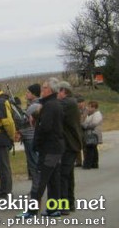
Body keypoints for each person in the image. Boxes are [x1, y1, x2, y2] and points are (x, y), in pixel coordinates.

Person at [18, 78, 64, 218]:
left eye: (44, 88)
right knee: (53, 179)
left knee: (40, 178)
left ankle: (32, 211)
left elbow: (46, 127)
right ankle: (54, 209)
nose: (42, 90)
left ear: (49, 90)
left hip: (49, 148)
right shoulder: (53, 104)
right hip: (56, 147)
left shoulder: (50, 105)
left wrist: (37, 141)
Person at [57, 81, 83, 215]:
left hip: (69, 144)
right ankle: (70, 202)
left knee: (63, 175)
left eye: (58, 92)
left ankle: (64, 205)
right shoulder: (71, 102)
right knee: (68, 174)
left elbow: (53, 108)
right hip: (71, 143)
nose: (57, 95)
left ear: (63, 91)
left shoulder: (68, 103)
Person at [22, 84, 41, 189]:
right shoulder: (34, 104)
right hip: (30, 137)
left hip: (31, 137)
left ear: (34, 94)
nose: (26, 94)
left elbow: (22, 120)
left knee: (33, 164)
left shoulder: (34, 106)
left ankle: (36, 188)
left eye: (28, 92)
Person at [82, 101, 103, 169]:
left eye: (89, 107)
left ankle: (88, 164)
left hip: (93, 134)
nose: (88, 108)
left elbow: (94, 124)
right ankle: (94, 164)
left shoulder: (97, 114)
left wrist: (84, 126)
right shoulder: (90, 115)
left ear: (94, 107)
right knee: (93, 149)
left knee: (90, 149)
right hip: (90, 133)